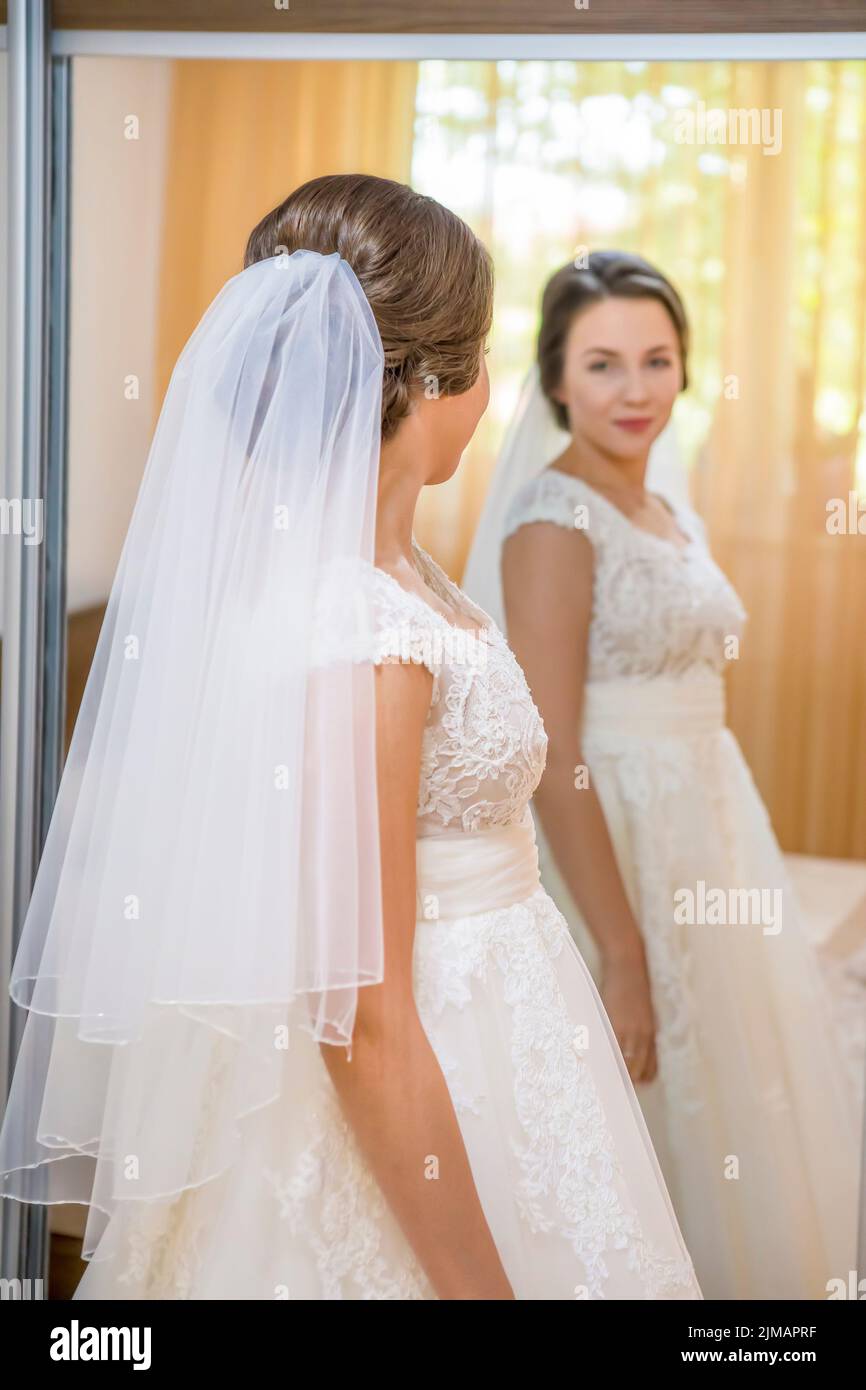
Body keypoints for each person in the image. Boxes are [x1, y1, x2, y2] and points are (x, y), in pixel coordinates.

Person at [0, 185, 700, 1300]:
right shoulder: (360, 633)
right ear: (431, 382)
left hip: (500, 1039)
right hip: (430, 1070)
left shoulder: (394, 577)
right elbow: (363, 1017)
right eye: (475, 363)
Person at [463, 251, 862, 1299]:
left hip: (705, 825)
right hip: (613, 845)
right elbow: (550, 749)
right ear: (553, 381)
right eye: (601, 365)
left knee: (732, 1094)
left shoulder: (658, 505)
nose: (633, 389)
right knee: (641, 1090)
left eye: (655, 360)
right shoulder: (555, 519)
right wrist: (621, 947)